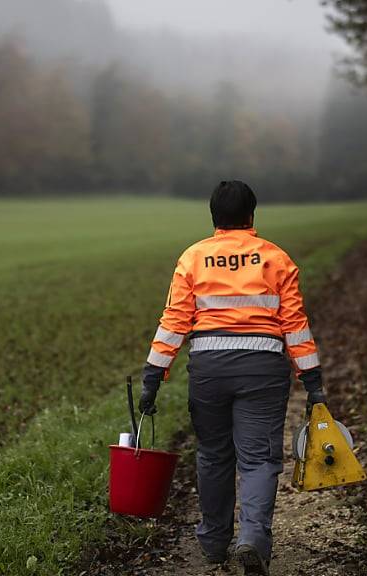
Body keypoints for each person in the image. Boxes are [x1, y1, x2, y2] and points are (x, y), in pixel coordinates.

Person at [139, 180, 326, 575]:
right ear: (251, 216)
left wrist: (153, 375)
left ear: (214, 217)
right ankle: (253, 538)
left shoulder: (193, 258)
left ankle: (213, 543)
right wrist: (312, 381)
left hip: (209, 369)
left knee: (213, 454)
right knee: (258, 458)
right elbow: (295, 324)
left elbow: (174, 322)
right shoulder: (276, 258)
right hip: (263, 368)